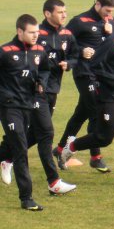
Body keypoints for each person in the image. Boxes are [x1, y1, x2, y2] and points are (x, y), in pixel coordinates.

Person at [61, 9, 114, 187]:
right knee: (103, 138)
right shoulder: (112, 42)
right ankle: (72, 146)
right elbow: (94, 67)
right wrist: (110, 84)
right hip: (109, 99)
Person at [0, 15, 76, 210]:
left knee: (29, 139)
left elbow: (45, 68)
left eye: (37, 32)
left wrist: (40, 82)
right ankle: (27, 198)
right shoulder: (5, 52)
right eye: (32, 33)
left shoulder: (39, 50)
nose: (36, 36)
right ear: (20, 32)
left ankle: (3, 158)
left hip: (29, 104)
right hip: (10, 107)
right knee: (20, 147)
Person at [54, 0, 114, 172]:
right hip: (84, 73)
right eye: (107, 11)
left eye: (112, 11)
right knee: (96, 113)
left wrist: (110, 33)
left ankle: (59, 149)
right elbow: (62, 43)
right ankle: (96, 157)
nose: (110, 15)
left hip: (102, 75)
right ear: (97, 4)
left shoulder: (110, 22)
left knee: (81, 113)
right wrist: (81, 51)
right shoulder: (79, 21)